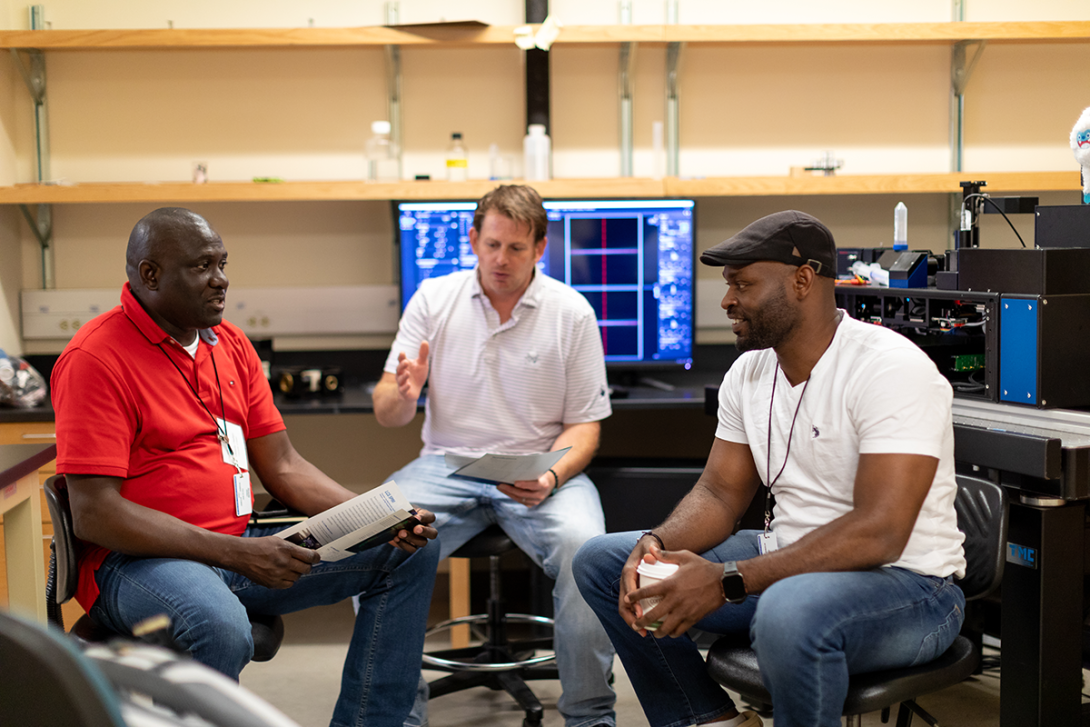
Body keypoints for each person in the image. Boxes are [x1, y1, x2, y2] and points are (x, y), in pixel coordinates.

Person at [572, 210, 967, 727]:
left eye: (743, 284)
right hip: (785, 564)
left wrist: (728, 580)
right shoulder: (750, 371)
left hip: (909, 587)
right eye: (728, 284)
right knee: (607, 563)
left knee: (789, 610)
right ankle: (709, 721)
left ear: (803, 280)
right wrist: (658, 543)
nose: (727, 300)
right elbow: (719, 494)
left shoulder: (890, 369)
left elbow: (881, 532)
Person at [50, 207, 441, 727]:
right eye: (202, 267)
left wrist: (381, 516)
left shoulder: (228, 344)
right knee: (220, 626)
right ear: (150, 275)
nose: (222, 281)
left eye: (223, 263)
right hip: (140, 562)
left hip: (239, 543)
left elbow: (283, 466)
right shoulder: (95, 359)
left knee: (410, 550)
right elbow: (95, 514)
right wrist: (238, 554)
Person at [372, 184, 616, 727]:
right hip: (447, 465)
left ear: (540, 248)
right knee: (373, 537)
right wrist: (404, 394)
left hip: (540, 466)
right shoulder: (433, 300)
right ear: (473, 239)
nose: (501, 260)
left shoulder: (570, 313)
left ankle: (590, 717)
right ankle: (395, 716)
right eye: (492, 245)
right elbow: (388, 411)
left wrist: (552, 474)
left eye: (516, 248)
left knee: (590, 554)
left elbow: (585, 427)